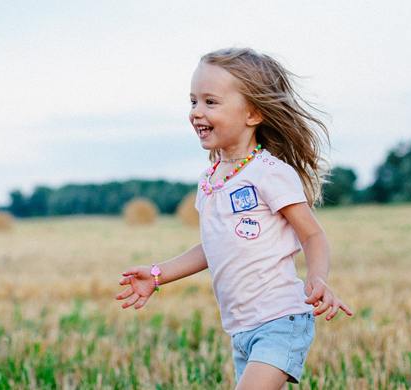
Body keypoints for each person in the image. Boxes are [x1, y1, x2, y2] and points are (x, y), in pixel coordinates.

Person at [115, 48, 352, 390]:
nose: (197, 112)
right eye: (193, 101)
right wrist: (157, 274)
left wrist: (317, 277)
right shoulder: (210, 180)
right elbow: (212, 246)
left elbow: (312, 235)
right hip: (241, 329)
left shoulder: (270, 173)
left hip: (280, 320)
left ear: (253, 113)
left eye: (210, 102)